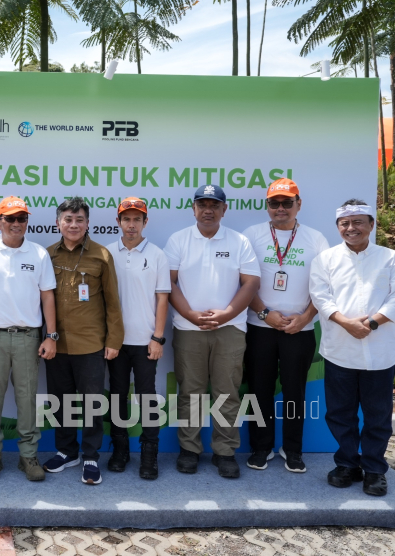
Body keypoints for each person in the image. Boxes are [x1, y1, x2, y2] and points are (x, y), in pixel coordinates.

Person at [165, 185, 260, 479]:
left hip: (230, 329)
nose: (208, 210)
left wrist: (227, 314)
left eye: (214, 205)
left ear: (224, 209)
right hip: (188, 329)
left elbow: (251, 283)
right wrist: (191, 315)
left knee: (226, 392)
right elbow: (169, 283)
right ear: (193, 208)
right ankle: (190, 449)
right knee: (190, 391)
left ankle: (225, 451)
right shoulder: (178, 240)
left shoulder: (239, 241)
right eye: (202, 204)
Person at [242, 179, 329, 474]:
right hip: (260, 325)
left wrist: (305, 318)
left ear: (298, 205)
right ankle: (261, 446)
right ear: (267, 206)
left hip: (299, 328)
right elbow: (242, 283)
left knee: (295, 392)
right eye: (274, 203)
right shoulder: (251, 236)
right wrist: (265, 313)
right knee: (259, 390)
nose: (280, 208)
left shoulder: (316, 239)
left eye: (287, 203)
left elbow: (324, 287)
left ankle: (292, 449)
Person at [309, 198, 395, 497]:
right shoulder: (326, 259)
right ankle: (347, 463)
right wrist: (347, 323)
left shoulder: (389, 258)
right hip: (339, 350)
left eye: (358, 221)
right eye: (345, 223)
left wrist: (371, 323)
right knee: (340, 413)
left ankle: (374, 469)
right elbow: (321, 297)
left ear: (371, 225)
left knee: (378, 414)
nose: (351, 228)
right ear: (338, 227)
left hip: (381, 351)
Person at [0, 196, 57, 482]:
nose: (16, 224)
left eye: (21, 218)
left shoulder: (39, 254)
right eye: (10, 218)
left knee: (27, 400)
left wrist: (51, 335)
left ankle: (28, 456)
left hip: (28, 338)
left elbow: (48, 296)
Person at [42, 196, 123, 486]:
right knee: (59, 401)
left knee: (91, 403)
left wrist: (114, 340)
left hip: (91, 344)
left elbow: (113, 302)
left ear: (87, 223)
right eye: (68, 219)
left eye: (79, 220)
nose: (73, 224)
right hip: (56, 345)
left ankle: (90, 455)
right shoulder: (47, 255)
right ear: (58, 223)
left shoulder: (101, 255)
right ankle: (66, 451)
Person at [105, 197, 170, 480]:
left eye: (137, 219)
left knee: (147, 399)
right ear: (118, 222)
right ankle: (120, 450)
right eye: (126, 219)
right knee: (118, 397)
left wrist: (157, 337)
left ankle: (149, 453)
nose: (131, 225)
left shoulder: (157, 255)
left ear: (145, 222)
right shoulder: (106, 254)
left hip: (146, 342)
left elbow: (162, 299)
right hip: (115, 343)